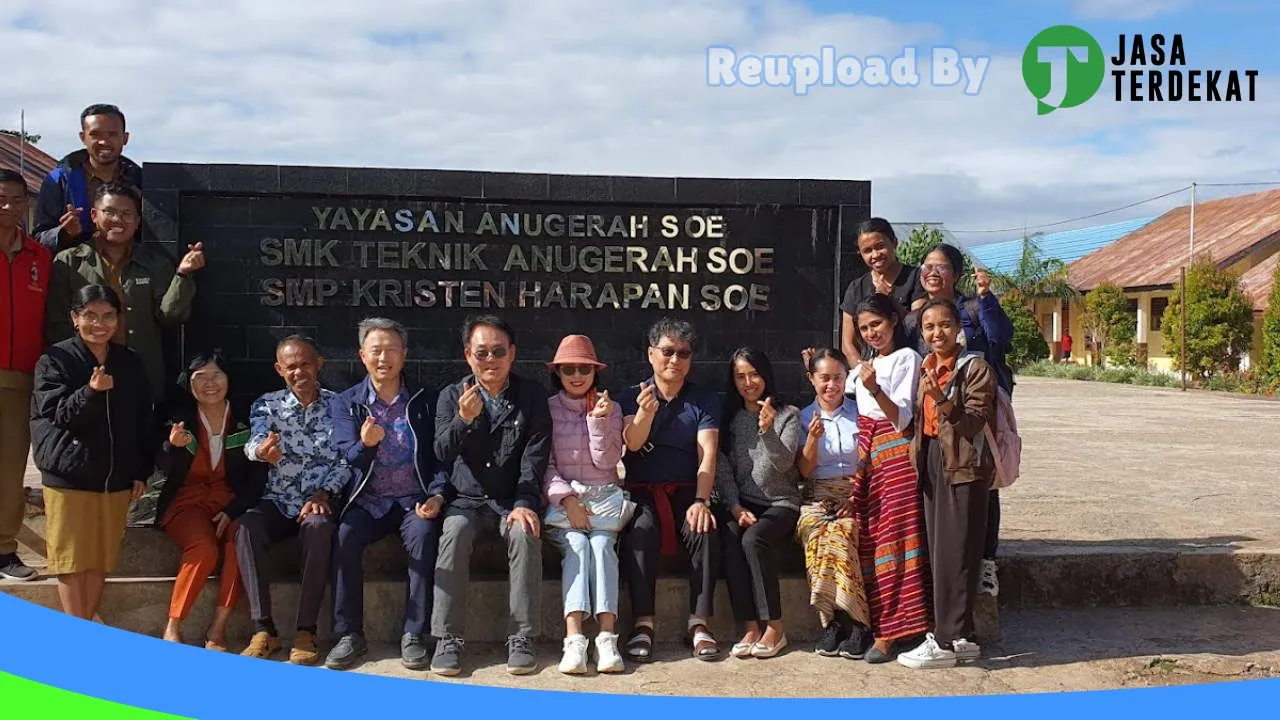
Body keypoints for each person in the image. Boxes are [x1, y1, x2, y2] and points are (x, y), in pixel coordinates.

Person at [431, 315, 551, 677]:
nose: (490, 360)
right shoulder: (452, 396)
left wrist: (524, 504)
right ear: (469, 355)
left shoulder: (531, 396)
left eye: (498, 351)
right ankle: (447, 638)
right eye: (482, 353)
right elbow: (440, 452)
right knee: (452, 533)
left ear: (512, 354)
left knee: (524, 532)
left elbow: (535, 457)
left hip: (510, 500)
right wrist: (463, 420)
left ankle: (521, 637)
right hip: (465, 501)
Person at [325, 318, 444, 672]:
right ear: (362, 356)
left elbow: (440, 456)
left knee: (425, 536)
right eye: (376, 350)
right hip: (368, 500)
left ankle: (414, 634)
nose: (384, 358)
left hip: (413, 500)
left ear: (404, 355)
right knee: (344, 535)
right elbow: (346, 454)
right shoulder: (347, 403)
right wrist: (366, 445)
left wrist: (436, 495)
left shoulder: (425, 401)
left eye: (392, 349)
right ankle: (349, 634)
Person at [29, 284, 152, 620]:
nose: (99, 323)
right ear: (74, 318)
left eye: (108, 316)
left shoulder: (128, 362)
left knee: (99, 559)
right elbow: (59, 415)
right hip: (69, 474)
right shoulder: (55, 360)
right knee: (71, 560)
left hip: (114, 478)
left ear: (118, 319)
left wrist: (140, 471)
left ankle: (84, 628)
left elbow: (143, 421)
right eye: (90, 316)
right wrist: (91, 392)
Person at [901, 242, 1012, 596]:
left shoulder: (974, 308)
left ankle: (985, 564)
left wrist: (987, 297)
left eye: (941, 266)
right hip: (934, 416)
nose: (932, 272)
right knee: (942, 490)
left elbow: (1001, 338)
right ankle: (944, 566)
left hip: (975, 406)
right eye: (926, 266)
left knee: (983, 484)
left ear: (957, 273)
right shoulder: (915, 316)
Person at [898, 298, 996, 669]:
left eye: (943, 325)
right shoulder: (927, 365)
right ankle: (964, 637)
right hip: (934, 461)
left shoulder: (976, 368)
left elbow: (973, 424)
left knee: (957, 553)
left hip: (963, 467)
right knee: (942, 554)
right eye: (929, 327)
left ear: (958, 328)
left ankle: (943, 641)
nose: (936, 333)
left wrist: (941, 399)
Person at [237, 336, 346, 665]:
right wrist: (261, 451)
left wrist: (324, 492)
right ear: (279, 370)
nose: (299, 371)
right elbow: (253, 441)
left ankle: (305, 630)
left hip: (317, 500)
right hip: (278, 499)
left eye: (305, 364)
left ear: (319, 364)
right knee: (246, 527)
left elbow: (347, 460)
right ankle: (263, 629)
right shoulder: (267, 405)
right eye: (291, 366)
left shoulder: (340, 406)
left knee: (319, 527)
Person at [618, 318, 722, 662]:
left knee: (704, 527)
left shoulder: (703, 400)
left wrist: (701, 500)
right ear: (651, 354)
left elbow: (707, 453)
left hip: (686, 488)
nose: (674, 360)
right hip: (641, 488)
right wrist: (644, 415)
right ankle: (643, 623)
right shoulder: (631, 395)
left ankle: (700, 622)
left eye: (683, 353)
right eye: (667, 352)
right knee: (641, 528)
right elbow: (631, 444)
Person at [45, 182, 204, 405]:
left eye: (127, 214)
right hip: (85, 375)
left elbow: (170, 316)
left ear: (138, 221)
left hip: (141, 374)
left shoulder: (154, 263)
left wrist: (183, 275)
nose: (118, 220)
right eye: (110, 212)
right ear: (93, 215)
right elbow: (58, 323)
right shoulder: (69, 261)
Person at [153, 350, 264, 651]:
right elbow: (162, 463)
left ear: (229, 379)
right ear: (189, 384)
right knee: (203, 549)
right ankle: (173, 625)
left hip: (229, 501)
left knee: (239, 543)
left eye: (217, 375)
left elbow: (256, 479)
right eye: (200, 377)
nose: (210, 383)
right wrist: (171, 446)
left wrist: (233, 510)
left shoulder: (245, 420)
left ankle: (218, 629)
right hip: (185, 503)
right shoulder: (178, 419)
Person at [846, 294, 930, 662]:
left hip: (895, 456)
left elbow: (903, 419)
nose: (870, 333)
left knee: (895, 542)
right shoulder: (863, 366)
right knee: (870, 540)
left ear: (894, 321)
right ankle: (876, 623)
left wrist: (875, 387)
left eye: (876, 324)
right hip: (866, 459)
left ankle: (894, 631)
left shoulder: (906, 359)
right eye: (864, 328)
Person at [541, 334, 627, 674]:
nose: (577, 376)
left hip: (604, 501)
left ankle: (607, 638)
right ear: (558, 373)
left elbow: (607, 461)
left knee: (603, 545)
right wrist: (568, 499)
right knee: (577, 544)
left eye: (584, 369)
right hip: (564, 503)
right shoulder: (546, 409)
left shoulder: (613, 408)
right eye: (568, 369)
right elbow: (543, 464)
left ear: (595, 372)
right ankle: (574, 640)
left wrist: (597, 421)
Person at [714, 348, 801, 660]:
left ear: (765, 374)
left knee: (754, 538)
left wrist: (767, 431)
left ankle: (775, 627)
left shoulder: (788, 414)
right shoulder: (733, 419)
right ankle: (749, 626)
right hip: (745, 502)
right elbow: (723, 468)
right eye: (740, 376)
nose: (748, 382)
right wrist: (735, 507)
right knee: (731, 535)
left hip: (781, 503)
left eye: (753, 374)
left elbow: (785, 463)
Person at [795, 348, 870, 660]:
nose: (831, 385)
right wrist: (812, 439)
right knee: (816, 530)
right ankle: (838, 620)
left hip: (857, 494)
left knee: (842, 531)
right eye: (824, 378)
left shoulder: (862, 413)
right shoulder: (802, 417)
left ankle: (852, 621)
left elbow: (870, 461)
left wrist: (854, 499)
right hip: (817, 497)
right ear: (812, 379)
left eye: (838, 377)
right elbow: (803, 471)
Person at [0, 168, 51, 582]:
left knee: (9, 468)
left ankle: (3, 550)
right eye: (1, 198)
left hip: (19, 378)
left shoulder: (39, 257)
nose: (9, 207)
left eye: (17, 200)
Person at [34, 104, 143, 253]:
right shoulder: (59, 180)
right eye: (95, 134)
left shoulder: (141, 182)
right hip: (73, 272)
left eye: (112, 134)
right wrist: (64, 234)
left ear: (125, 138)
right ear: (83, 137)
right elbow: (38, 239)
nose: (104, 142)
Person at [838, 218, 927, 363]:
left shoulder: (916, 278)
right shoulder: (856, 288)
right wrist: (863, 374)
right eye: (867, 251)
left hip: (909, 364)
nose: (875, 255)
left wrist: (888, 298)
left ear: (894, 243)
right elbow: (848, 345)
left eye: (880, 246)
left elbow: (918, 326)